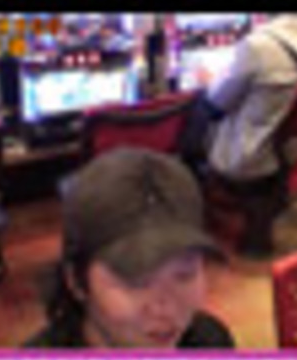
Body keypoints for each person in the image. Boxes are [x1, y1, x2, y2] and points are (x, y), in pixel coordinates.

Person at [27, 148, 235, 349]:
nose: (166, 310)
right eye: (135, 283)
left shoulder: (209, 343)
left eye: (185, 275)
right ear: (76, 282)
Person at [195, 14, 297, 255]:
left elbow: (219, 101)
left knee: (194, 118)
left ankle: (192, 208)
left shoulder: (257, 46)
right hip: (286, 141)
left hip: (247, 149)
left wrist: (210, 80)